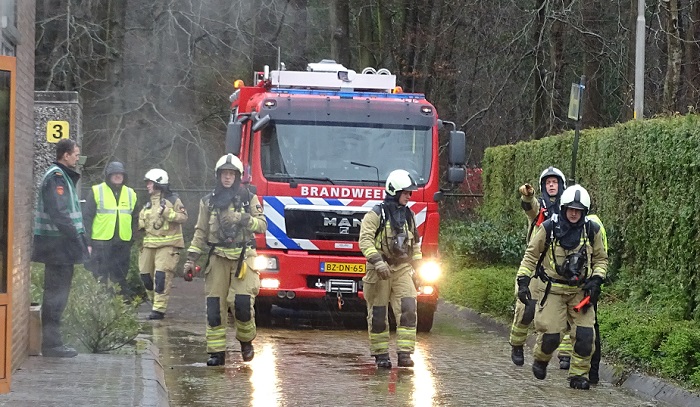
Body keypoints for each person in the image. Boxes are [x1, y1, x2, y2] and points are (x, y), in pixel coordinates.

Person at [515, 185, 607, 390]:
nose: (574, 213)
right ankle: (540, 358)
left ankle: (578, 375)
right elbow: (531, 256)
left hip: (580, 291)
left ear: (584, 211)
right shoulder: (548, 228)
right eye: (570, 209)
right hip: (554, 289)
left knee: (585, 337)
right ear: (564, 208)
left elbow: (601, 259)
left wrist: (596, 279)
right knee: (550, 337)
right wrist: (523, 280)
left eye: (579, 210)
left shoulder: (592, 230)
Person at [184, 154, 267, 366]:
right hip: (217, 257)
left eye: (231, 174)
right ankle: (216, 352)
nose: (227, 178)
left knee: (241, 303)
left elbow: (262, 225)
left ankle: (246, 341)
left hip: (243, 257)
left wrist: (242, 218)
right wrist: (190, 259)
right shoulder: (208, 202)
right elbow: (200, 232)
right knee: (214, 307)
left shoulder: (249, 199)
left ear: (238, 177)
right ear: (218, 176)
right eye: (224, 174)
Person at [510, 167, 573, 369]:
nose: (552, 185)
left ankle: (564, 354)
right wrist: (527, 196)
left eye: (555, 182)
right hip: (536, 269)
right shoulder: (539, 210)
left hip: (558, 270)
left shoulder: (570, 210)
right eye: (548, 182)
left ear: (561, 185)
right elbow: (529, 205)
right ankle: (517, 344)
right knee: (527, 310)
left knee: (561, 311)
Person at [359, 169, 422, 369]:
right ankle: (381, 355)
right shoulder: (376, 214)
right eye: (406, 192)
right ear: (394, 190)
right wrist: (377, 261)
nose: (409, 196)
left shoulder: (409, 216)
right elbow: (365, 240)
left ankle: (405, 354)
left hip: (402, 268)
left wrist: (418, 268)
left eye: (410, 193)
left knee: (408, 308)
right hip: (380, 269)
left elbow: (416, 244)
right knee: (378, 313)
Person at [32, 138, 89, 358]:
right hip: (57, 247)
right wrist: (76, 239)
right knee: (56, 295)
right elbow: (59, 214)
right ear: (65, 155)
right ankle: (52, 345)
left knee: (58, 295)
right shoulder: (56, 178)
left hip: (59, 247)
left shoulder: (62, 177)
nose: (77, 157)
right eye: (75, 153)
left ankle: (53, 343)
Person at [137, 168, 188, 320]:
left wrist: (169, 214)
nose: (147, 186)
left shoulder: (172, 201)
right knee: (145, 275)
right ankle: (155, 303)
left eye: (150, 183)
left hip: (168, 245)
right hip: (149, 245)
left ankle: (158, 310)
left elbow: (183, 217)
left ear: (159, 184)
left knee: (161, 277)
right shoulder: (147, 205)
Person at [83, 161, 138, 297]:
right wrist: (88, 242)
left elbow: (136, 218)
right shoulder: (97, 191)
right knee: (100, 276)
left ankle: (119, 306)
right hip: (101, 242)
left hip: (123, 243)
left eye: (120, 174)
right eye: (115, 174)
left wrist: (132, 238)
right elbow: (87, 218)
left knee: (120, 276)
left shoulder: (131, 193)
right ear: (108, 175)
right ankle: (101, 305)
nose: (118, 176)